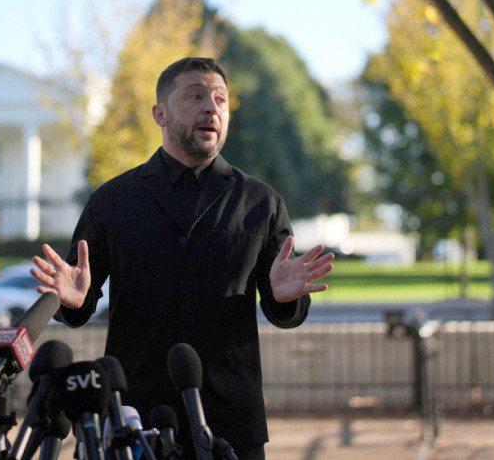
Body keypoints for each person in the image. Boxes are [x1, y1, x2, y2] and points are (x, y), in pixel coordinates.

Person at [30, 57, 334, 459]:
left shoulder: (261, 202)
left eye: (221, 99)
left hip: (230, 420)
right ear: (160, 114)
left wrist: (284, 297)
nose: (212, 108)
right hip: (133, 419)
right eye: (196, 96)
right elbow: (80, 304)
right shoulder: (112, 201)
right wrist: (72, 300)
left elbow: (287, 312)